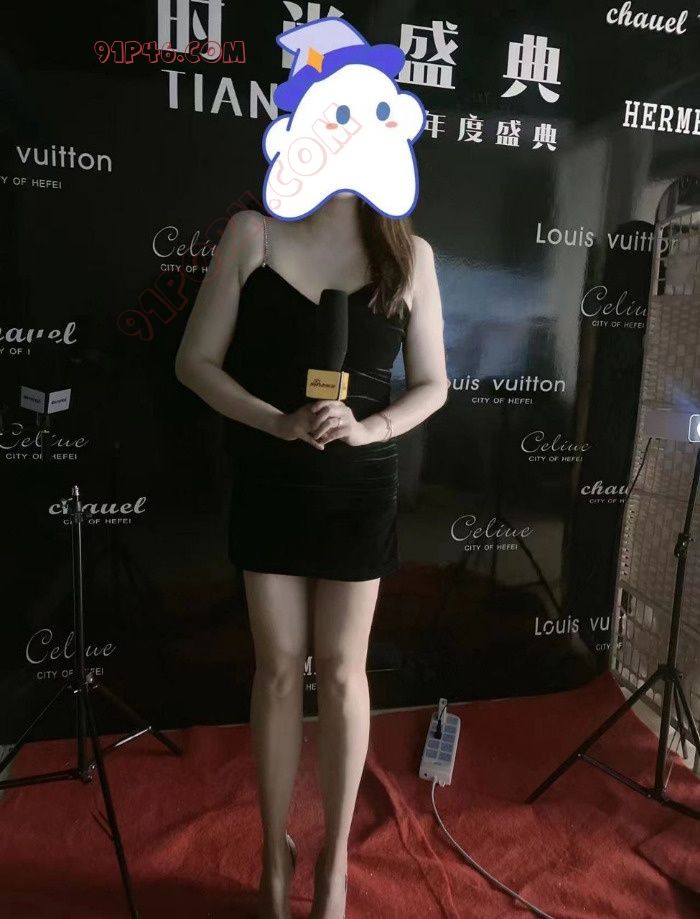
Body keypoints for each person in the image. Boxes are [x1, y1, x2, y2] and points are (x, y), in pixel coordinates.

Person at [174, 193, 448, 919]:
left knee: (343, 672)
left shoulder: (411, 255)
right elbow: (194, 362)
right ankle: (274, 858)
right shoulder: (252, 236)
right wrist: (277, 422)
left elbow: (434, 383)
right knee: (276, 671)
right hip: (271, 477)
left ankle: (335, 865)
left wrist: (370, 429)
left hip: (361, 487)